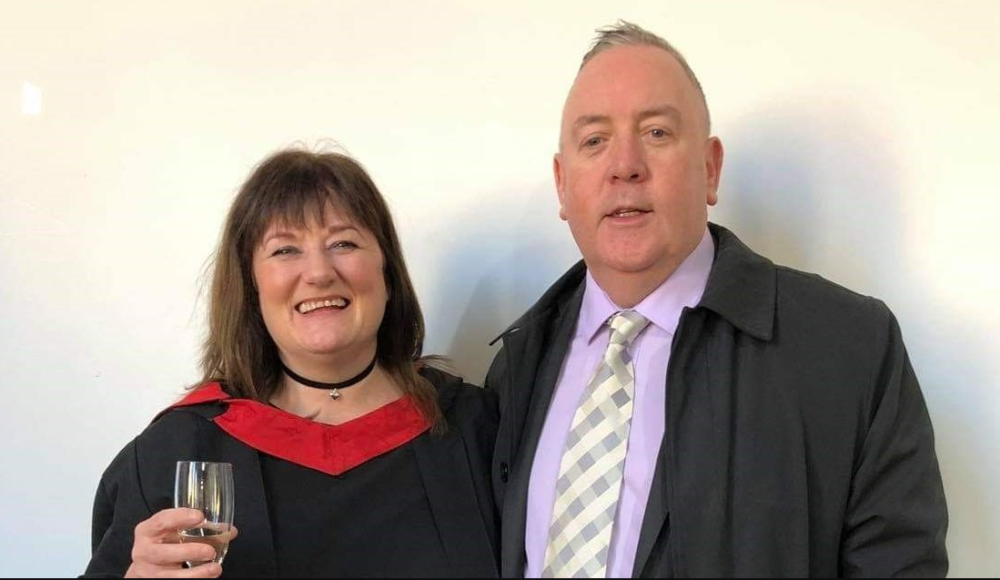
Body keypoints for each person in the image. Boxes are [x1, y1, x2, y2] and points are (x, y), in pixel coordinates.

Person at [485, 21, 948, 578]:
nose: (625, 164)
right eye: (594, 141)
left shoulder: (852, 349)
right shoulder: (517, 368)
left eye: (656, 132)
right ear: (563, 184)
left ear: (710, 168)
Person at [84, 149, 500, 578]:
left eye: (344, 242)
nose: (319, 272)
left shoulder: (478, 430)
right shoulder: (176, 452)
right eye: (285, 250)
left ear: (387, 273)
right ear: (250, 287)